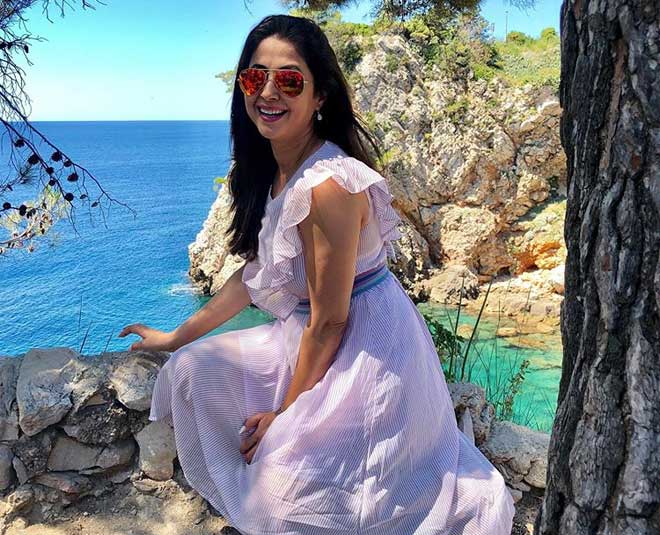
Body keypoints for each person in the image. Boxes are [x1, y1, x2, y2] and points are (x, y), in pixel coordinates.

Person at [118, 14, 515, 535]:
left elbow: (330, 322)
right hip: (305, 335)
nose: (268, 92)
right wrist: (175, 337)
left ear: (319, 95)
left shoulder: (328, 184)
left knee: (282, 502)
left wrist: (284, 416)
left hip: (366, 349)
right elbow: (253, 274)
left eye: (289, 80)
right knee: (192, 370)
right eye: (254, 77)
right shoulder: (273, 168)